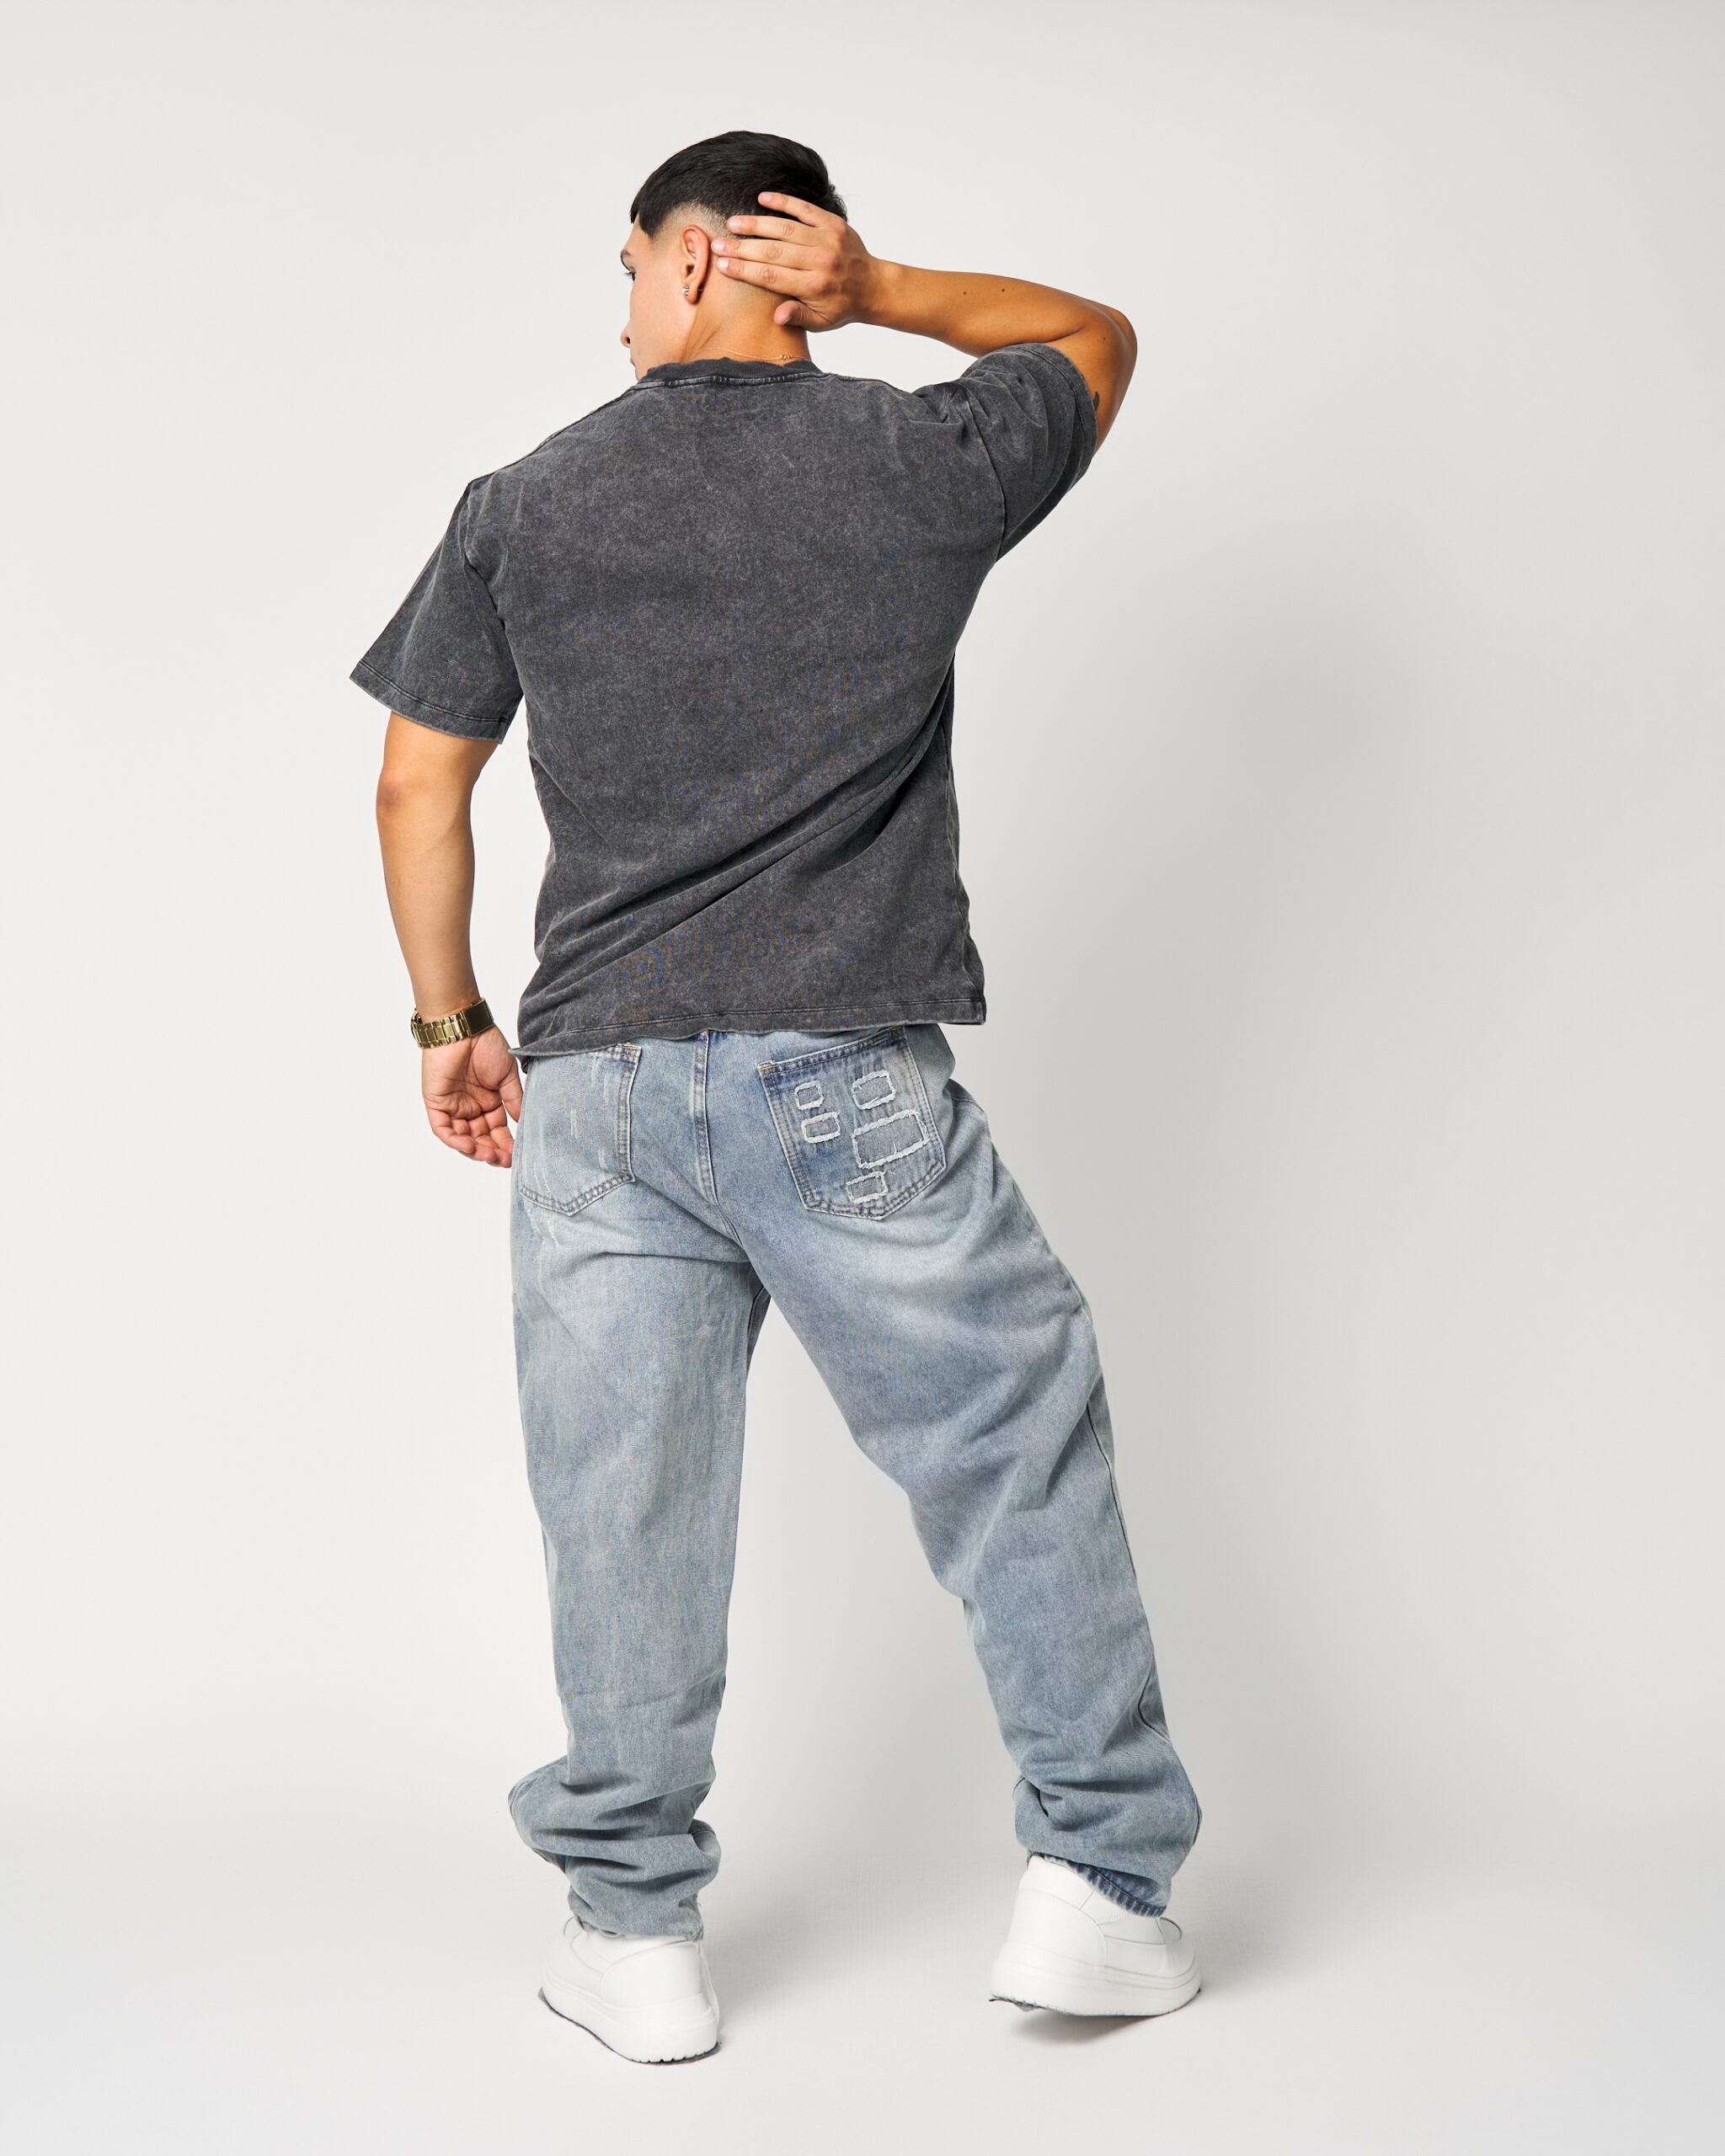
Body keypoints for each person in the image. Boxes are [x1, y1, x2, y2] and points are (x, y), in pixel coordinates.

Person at [353, 130, 1202, 2064]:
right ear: (796, 260)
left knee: (623, 1504)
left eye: (627, 270)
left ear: (691, 258)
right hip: (841, 1068)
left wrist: (446, 1019)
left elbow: (417, 778)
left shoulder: (524, 503)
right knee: (1012, 1448)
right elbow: (1094, 336)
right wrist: (885, 293)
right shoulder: (919, 460)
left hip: (596, 1089)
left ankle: (632, 1929)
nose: (618, 314)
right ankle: (1100, 1889)